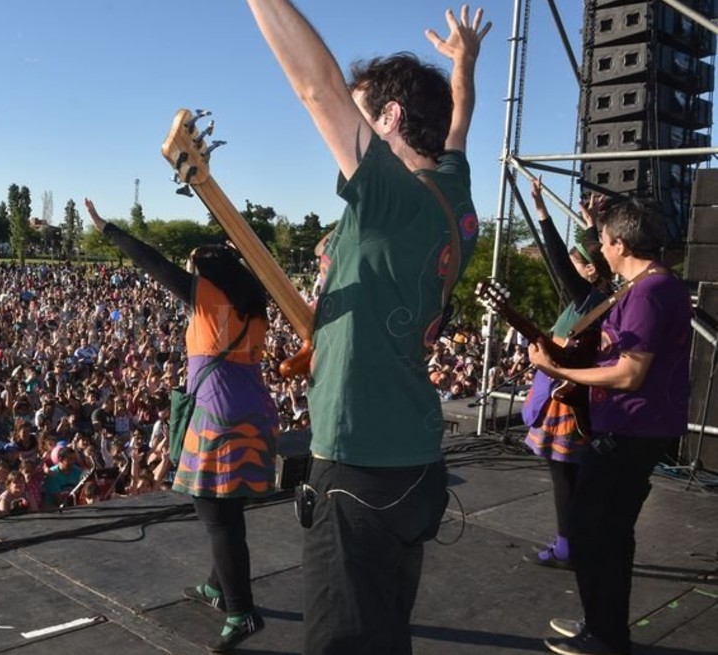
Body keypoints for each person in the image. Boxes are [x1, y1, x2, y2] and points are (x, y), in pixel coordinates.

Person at [246, 3, 489, 653]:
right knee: (385, 633)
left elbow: (313, 85)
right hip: (411, 464)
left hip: (359, 467)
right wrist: (463, 65)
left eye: (363, 115)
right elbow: (460, 122)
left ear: (389, 119)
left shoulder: (392, 200)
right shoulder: (454, 197)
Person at [86, 199, 278, 652]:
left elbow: (153, 263)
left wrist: (108, 229)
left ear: (208, 273)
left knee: (215, 516)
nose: (190, 272)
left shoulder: (207, 297)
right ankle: (219, 586)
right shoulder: (256, 303)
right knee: (227, 510)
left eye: (195, 266)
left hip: (219, 417)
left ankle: (241, 610)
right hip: (255, 413)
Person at [528, 198, 691, 655]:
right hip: (626, 428)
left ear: (619, 243)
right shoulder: (642, 287)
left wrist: (561, 373)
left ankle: (606, 635)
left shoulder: (650, 292)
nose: (600, 249)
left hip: (631, 431)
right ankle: (601, 622)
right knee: (603, 529)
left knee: (595, 529)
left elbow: (629, 373)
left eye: (602, 241)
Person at [520, 178, 613, 569]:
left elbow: (559, 259)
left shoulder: (590, 297)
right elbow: (589, 259)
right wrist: (590, 226)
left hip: (565, 395)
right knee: (571, 476)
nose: (572, 268)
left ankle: (566, 547)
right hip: (569, 391)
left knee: (563, 476)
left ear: (590, 270)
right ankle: (576, 540)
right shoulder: (606, 293)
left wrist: (541, 211)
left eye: (582, 262)